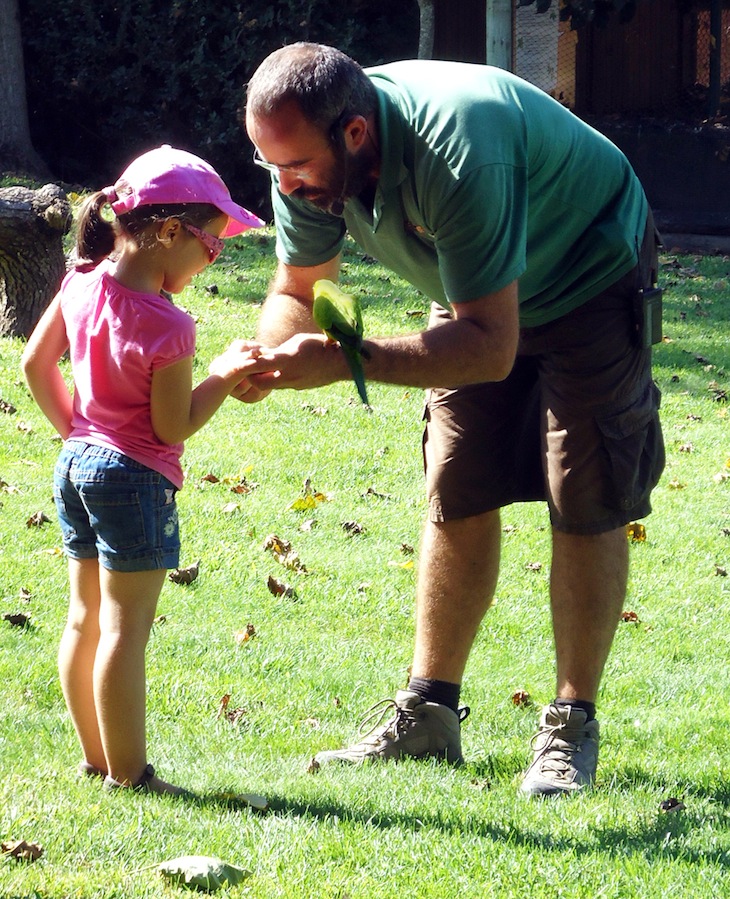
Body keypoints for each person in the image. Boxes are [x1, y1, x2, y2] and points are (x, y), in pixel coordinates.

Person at [239, 43, 665, 796]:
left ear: (355, 134)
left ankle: (570, 726)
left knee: (585, 489)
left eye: (295, 165)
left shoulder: (459, 150)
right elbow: (297, 289)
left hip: (589, 272)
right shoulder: (304, 162)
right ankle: (429, 716)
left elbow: (490, 348)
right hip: (474, 292)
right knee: (457, 480)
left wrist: (347, 360)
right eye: (268, 163)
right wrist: (269, 357)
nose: (284, 183)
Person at [21, 145, 264, 795]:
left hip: (75, 466)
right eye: (212, 245)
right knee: (126, 631)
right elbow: (172, 425)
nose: (215, 257)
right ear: (169, 232)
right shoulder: (169, 325)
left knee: (84, 618)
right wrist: (223, 375)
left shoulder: (80, 282)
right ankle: (130, 774)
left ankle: (96, 759)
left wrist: (78, 434)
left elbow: (34, 366)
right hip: (132, 481)